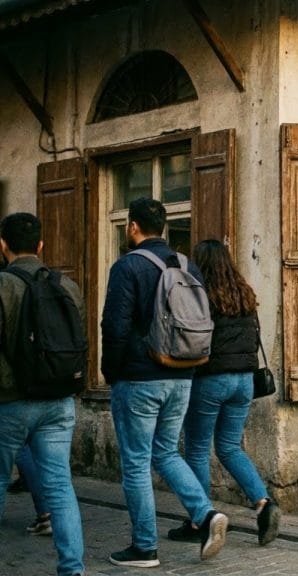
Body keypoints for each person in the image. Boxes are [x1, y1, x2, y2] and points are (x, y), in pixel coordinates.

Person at [101, 198, 228, 568]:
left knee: (137, 462)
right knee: (167, 452)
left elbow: (115, 326)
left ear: (132, 227)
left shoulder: (128, 267)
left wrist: (112, 373)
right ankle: (205, 515)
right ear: (165, 228)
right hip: (183, 374)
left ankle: (144, 547)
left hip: (140, 378)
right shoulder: (187, 265)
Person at [166, 239, 280, 546]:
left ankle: (200, 520)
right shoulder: (244, 292)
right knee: (229, 446)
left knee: (198, 449)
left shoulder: (201, 293)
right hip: (244, 380)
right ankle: (264, 503)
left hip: (211, 379)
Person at [0, 212, 86, 576]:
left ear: (2, 246)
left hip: (10, 401)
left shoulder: (3, 285)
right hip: (58, 400)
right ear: (40, 245)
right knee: (61, 487)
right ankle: (72, 569)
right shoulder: (67, 285)